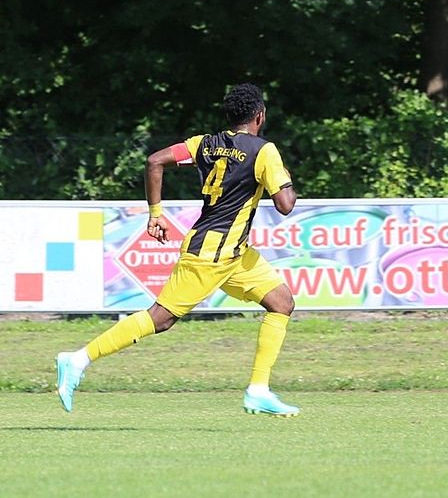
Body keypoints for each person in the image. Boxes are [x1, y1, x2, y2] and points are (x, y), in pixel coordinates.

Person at [56, 83, 301, 416]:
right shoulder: (264, 151)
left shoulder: (206, 144)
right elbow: (285, 204)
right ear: (260, 115)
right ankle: (77, 360)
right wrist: (283, 174)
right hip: (212, 255)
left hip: (235, 253)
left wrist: (155, 214)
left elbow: (155, 161)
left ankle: (258, 390)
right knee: (160, 319)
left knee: (281, 302)